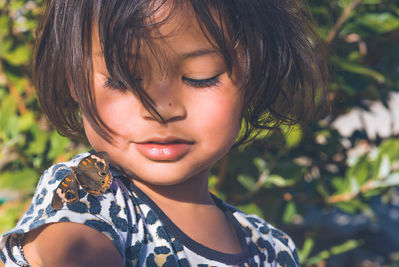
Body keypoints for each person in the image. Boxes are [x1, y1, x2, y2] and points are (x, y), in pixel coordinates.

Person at [0, 0, 327, 266]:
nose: (159, 109)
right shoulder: (90, 191)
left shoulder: (271, 249)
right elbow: (72, 250)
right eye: (122, 79)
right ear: (75, 79)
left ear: (253, 78)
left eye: (201, 77)